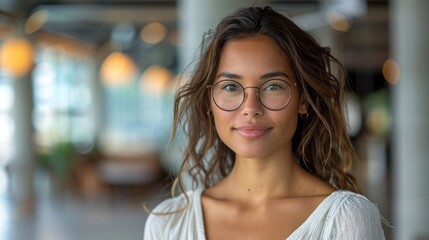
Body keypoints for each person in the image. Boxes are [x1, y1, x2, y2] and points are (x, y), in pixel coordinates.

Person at [144, 6, 385, 240]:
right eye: (230, 87)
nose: (250, 108)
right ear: (210, 101)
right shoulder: (168, 223)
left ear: (303, 100)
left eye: (272, 86)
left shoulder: (345, 219)